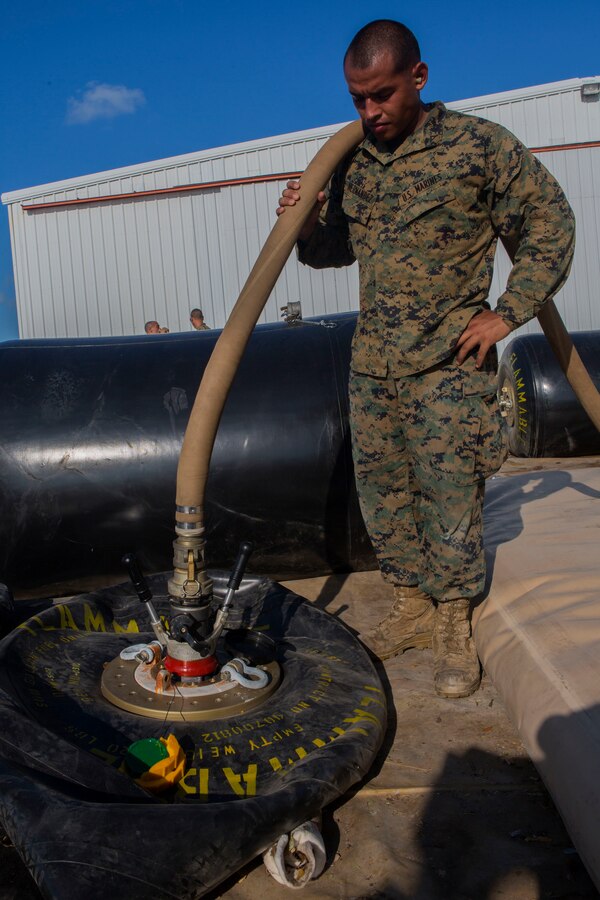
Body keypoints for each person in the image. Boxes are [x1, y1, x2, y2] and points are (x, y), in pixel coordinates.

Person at [277, 20, 575, 699]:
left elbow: (550, 221)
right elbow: (333, 254)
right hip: (374, 365)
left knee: (451, 501)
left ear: (419, 77)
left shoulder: (478, 147)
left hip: (448, 362)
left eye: (381, 95)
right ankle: (409, 606)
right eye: (356, 99)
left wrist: (510, 308)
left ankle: (451, 621)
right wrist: (308, 220)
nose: (369, 112)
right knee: (387, 497)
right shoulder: (354, 161)